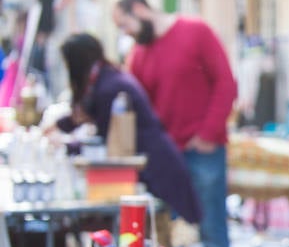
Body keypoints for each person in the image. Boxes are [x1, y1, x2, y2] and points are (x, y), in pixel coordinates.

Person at [112, 0, 236, 247]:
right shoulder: (138, 54)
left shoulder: (195, 31)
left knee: (212, 228)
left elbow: (225, 82)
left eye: (124, 24)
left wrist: (208, 133)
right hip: (167, 157)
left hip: (202, 148)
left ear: (140, 9)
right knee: (175, 238)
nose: (125, 32)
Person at [55, 33, 201, 224]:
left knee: (164, 235)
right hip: (154, 163)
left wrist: (67, 146)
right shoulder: (106, 78)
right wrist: (59, 126)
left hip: (155, 169)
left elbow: (106, 141)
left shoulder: (109, 87)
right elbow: (86, 114)